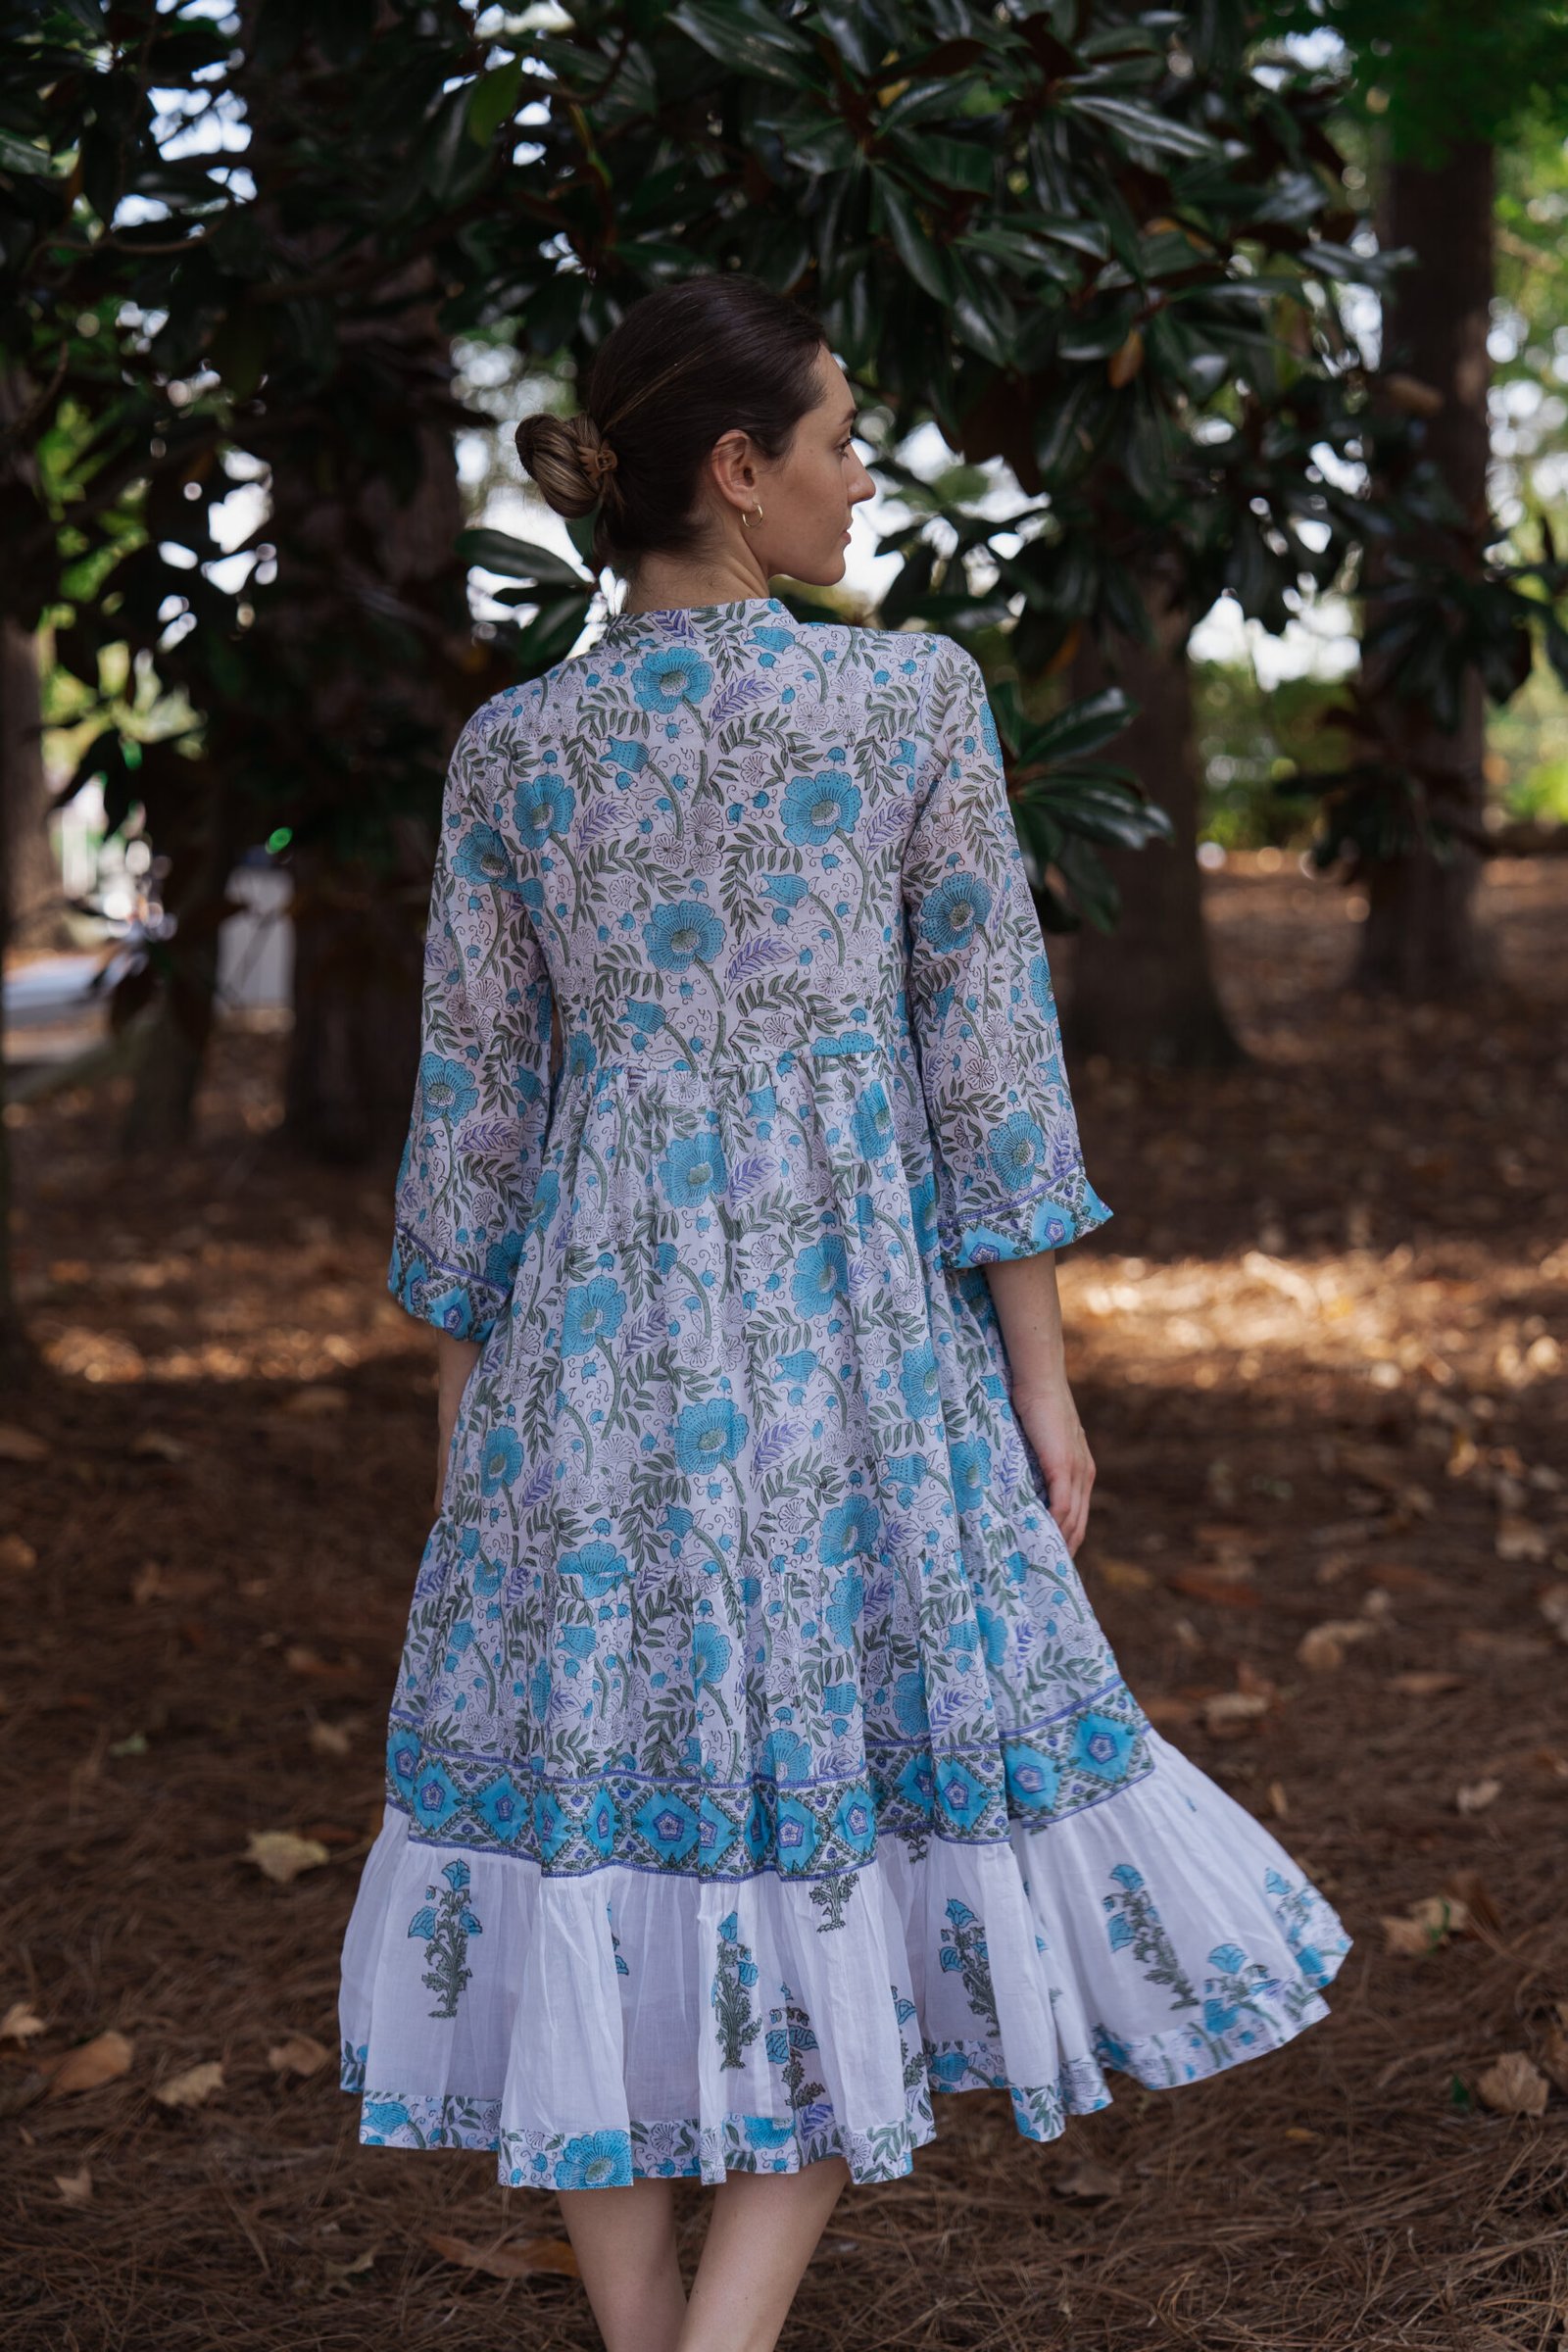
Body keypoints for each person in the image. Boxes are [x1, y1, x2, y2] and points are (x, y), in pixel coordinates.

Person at [338, 272, 1351, 2352]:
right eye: (842, 440)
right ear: (738, 471)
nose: (864, 477)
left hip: (581, 1383)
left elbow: (473, 1137)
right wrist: (1042, 1387)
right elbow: (987, 1075)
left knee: (589, 1850)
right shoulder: (907, 704)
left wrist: (464, 1439)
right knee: (837, 1833)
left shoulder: (515, 751)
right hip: (849, 1367)